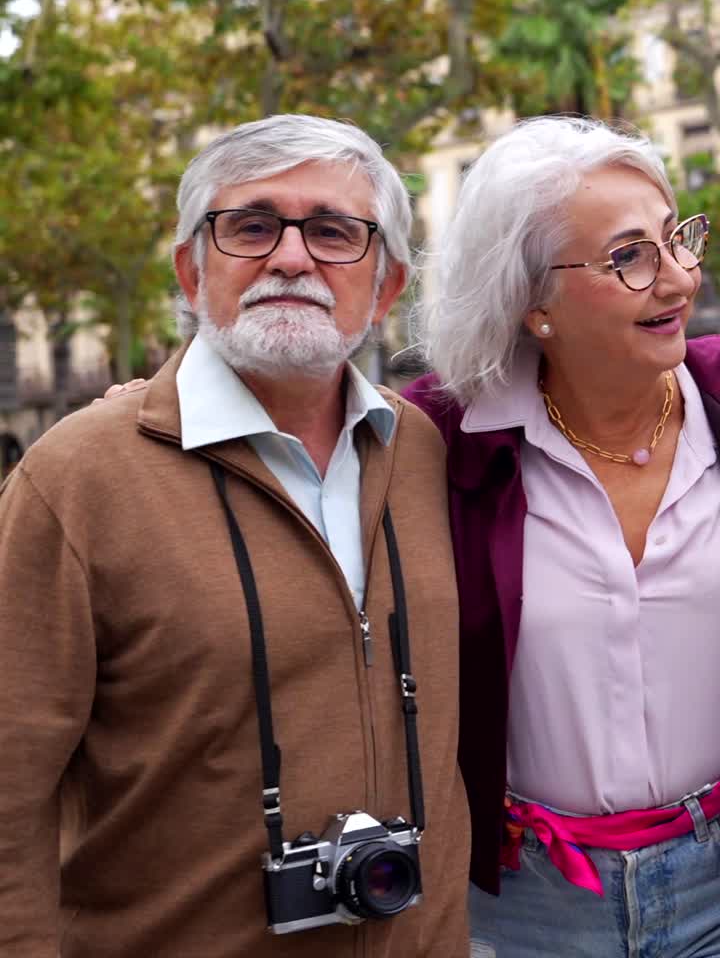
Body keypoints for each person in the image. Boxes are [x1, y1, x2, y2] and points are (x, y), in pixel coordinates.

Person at [0, 114, 470, 958]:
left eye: (334, 231)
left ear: (388, 286)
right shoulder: (76, 478)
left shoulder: (427, 452)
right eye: (252, 226)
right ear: (193, 267)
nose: (292, 257)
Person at [405, 115, 720, 958]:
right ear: (532, 300)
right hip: (532, 907)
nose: (680, 277)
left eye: (677, 238)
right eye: (630, 256)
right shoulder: (437, 442)